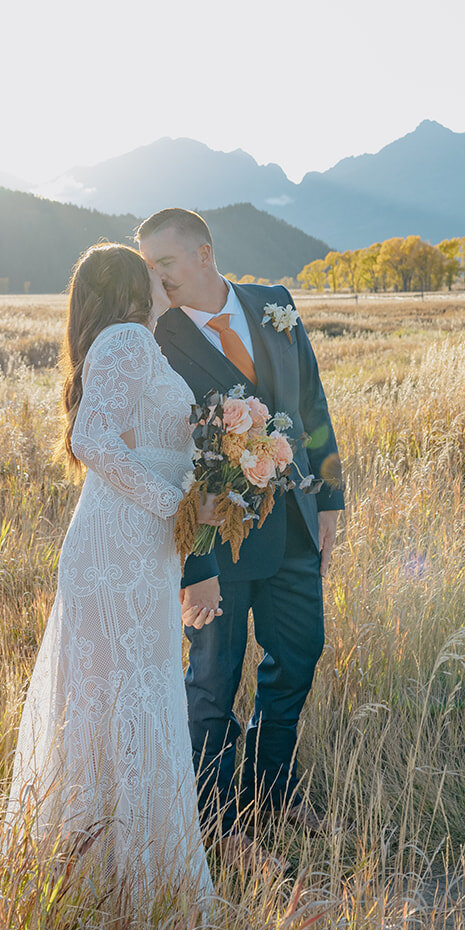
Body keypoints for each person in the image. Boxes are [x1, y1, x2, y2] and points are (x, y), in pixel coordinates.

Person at [4, 241, 222, 902]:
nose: (166, 283)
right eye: (153, 275)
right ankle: (122, 886)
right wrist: (174, 503)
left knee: (126, 699)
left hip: (131, 546)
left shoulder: (131, 343)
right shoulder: (127, 339)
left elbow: (145, 441)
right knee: (124, 699)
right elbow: (91, 439)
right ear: (133, 288)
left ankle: (116, 882)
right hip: (121, 547)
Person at [138, 208, 344, 838]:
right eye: (148, 266)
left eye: (164, 262)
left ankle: (271, 795)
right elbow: (168, 463)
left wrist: (330, 496)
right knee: (211, 685)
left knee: (300, 655)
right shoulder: (155, 337)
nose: (156, 277)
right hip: (217, 546)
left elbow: (311, 401)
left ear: (204, 253)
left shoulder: (275, 305)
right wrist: (194, 565)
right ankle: (216, 826)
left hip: (295, 532)